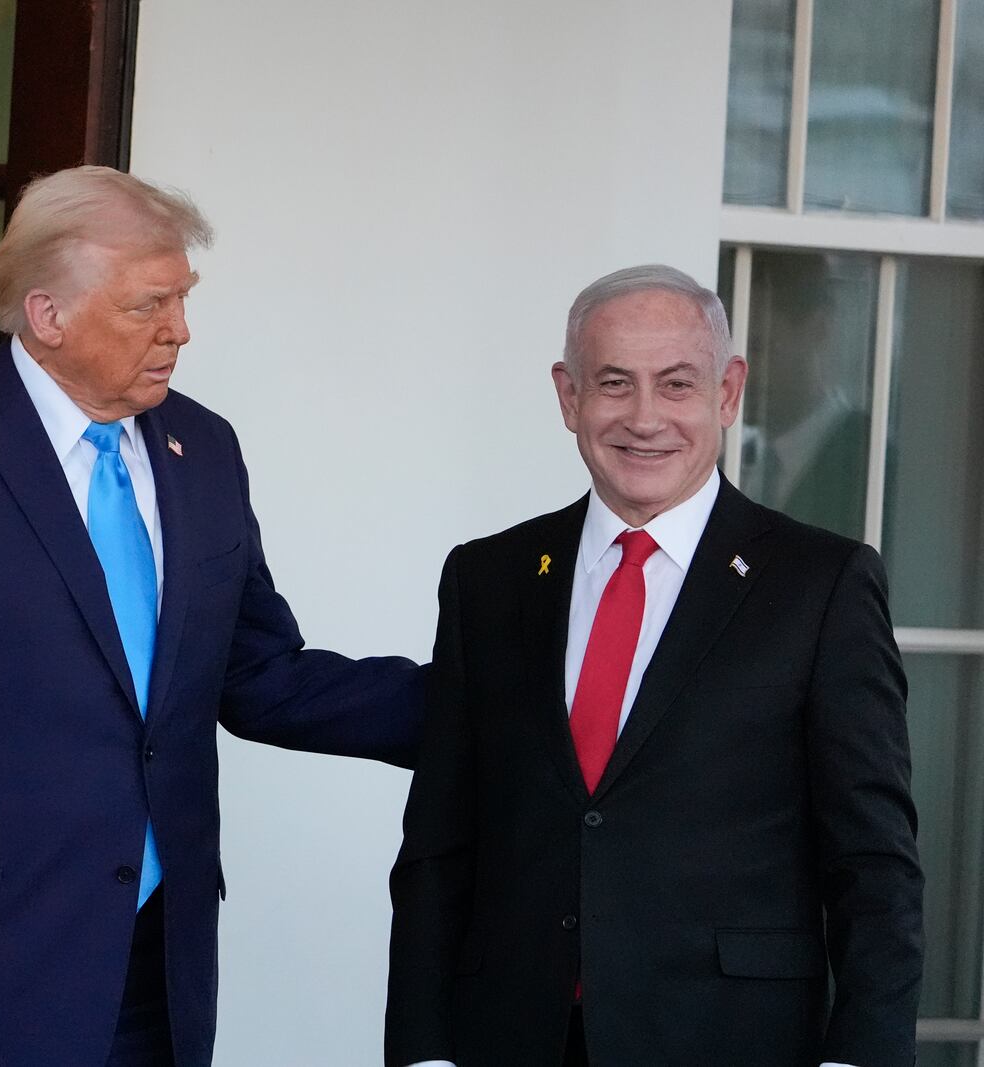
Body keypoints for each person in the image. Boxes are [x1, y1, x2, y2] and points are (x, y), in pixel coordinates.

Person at [0, 165, 425, 1067]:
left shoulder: (201, 448)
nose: (180, 330)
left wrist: (488, 705)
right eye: (149, 305)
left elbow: (259, 672)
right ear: (48, 315)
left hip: (153, 973)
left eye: (183, 298)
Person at [385, 264, 923, 1067]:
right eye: (614, 384)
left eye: (676, 384)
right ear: (569, 397)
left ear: (728, 391)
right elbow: (438, 844)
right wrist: (423, 1050)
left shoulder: (823, 584)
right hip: (510, 1035)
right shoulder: (487, 577)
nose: (644, 419)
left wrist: (862, 1056)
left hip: (730, 1039)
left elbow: (873, 861)